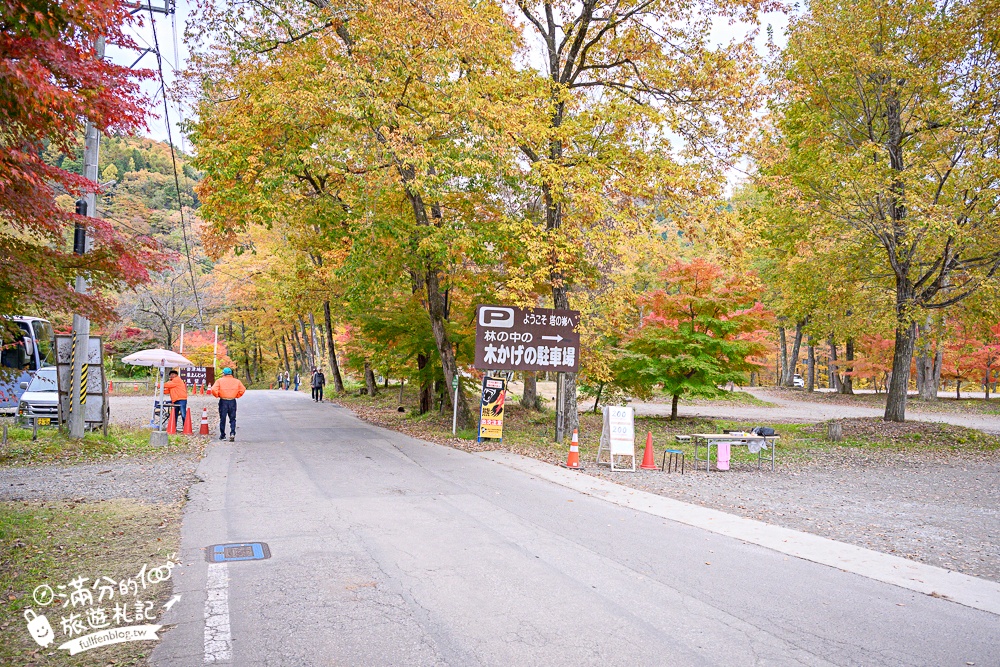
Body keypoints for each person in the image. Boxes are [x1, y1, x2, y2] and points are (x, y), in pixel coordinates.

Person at [211, 367, 246, 441]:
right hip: (232, 401)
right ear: (231, 373)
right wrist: (237, 395)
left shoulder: (219, 381)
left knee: (222, 418)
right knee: (232, 418)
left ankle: (223, 435)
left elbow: (213, 389)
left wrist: (217, 395)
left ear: (224, 373)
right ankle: (232, 433)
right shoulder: (237, 381)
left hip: (223, 401)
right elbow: (243, 389)